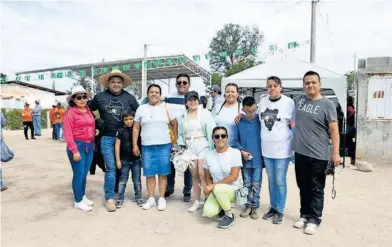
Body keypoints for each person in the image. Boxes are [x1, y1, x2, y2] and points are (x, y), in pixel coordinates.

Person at [292, 71, 340, 235]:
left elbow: (334, 130)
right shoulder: (298, 101)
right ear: (303, 85)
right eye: (307, 83)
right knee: (303, 186)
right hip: (300, 153)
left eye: (313, 82)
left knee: (316, 188)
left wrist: (335, 153)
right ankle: (304, 215)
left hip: (319, 154)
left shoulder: (328, 105)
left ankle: (314, 219)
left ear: (320, 84)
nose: (310, 85)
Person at [89, 69, 139, 212]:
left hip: (125, 139)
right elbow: (87, 110)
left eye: (119, 82)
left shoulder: (130, 98)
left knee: (121, 166)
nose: (116, 84)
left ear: (122, 84)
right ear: (108, 84)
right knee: (110, 167)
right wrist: (96, 123)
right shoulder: (99, 97)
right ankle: (109, 197)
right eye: (113, 82)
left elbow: (139, 114)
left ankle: (118, 190)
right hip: (107, 138)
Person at [256, 76, 295, 225]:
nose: (272, 89)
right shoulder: (263, 101)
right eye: (269, 86)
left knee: (280, 180)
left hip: (282, 149)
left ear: (281, 87)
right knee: (271, 180)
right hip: (266, 148)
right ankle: (273, 207)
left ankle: (280, 210)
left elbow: (295, 124)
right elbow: (256, 117)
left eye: (275, 86)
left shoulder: (289, 103)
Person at [133, 84, 178, 211]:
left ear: (160, 94)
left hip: (165, 145)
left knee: (163, 173)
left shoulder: (167, 107)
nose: (154, 94)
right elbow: (136, 128)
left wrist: (175, 141)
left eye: (156, 92)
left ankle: (162, 198)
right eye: (151, 92)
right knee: (149, 173)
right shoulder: (141, 108)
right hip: (147, 146)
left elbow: (174, 125)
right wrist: (135, 144)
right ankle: (151, 198)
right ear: (148, 94)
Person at [177, 91, 216, 212]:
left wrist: (213, 147)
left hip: (203, 144)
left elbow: (211, 130)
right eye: (190, 100)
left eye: (195, 99)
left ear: (198, 100)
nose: (192, 102)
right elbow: (181, 133)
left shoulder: (205, 113)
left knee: (202, 173)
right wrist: (181, 147)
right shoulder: (183, 115)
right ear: (186, 102)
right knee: (194, 176)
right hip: (190, 146)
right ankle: (196, 201)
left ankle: (209, 199)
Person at [203, 126, 243, 229]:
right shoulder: (208, 155)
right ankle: (221, 204)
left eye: (223, 136)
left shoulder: (235, 153)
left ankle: (229, 215)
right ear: (213, 139)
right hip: (217, 190)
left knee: (218, 188)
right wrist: (209, 190)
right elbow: (208, 177)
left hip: (233, 189)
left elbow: (234, 177)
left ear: (227, 138)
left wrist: (213, 186)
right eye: (217, 136)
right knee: (208, 212)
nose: (220, 138)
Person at [63, 85, 95, 212]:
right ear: (73, 100)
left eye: (84, 97)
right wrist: (74, 150)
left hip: (89, 145)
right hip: (77, 146)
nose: (82, 99)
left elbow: (90, 125)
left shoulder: (87, 110)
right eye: (79, 97)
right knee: (79, 173)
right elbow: (68, 133)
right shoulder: (70, 113)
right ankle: (78, 201)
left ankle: (82, 196)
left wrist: (94, 132)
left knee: (84, 173)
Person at [165, 73, 193, 202]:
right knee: (171, 162)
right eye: (179, 82)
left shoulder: (194, 97)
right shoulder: (169, 98)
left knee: (187, 164)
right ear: (176, 84)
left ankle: (187, 190)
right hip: (172, 136)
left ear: (189, 84)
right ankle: (169, 188)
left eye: (184, 82)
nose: (182, 84)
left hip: (189, 137)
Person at [234, 96, 262, 220]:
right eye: (248, 111)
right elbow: (235, 140)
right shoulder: (239, 122)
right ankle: (247, 205)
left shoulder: (260, 120)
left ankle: (255, 206)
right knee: (247, 184)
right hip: (245, 159)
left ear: (256, 108)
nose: (250, 114)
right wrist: (241, 151)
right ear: (243, 109)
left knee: (256, 184)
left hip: (258, 159)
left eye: (253, 111)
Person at [115, 111, 143, 208]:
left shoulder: (138, 130)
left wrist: (142, 157)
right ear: (123, 121)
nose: (128, 121)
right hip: (124, 160)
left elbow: (142, 145)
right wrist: (118, 160)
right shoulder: (120, 130)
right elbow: (117, 145)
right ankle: (119, 199)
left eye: (131, 119)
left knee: (137, 181)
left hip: (136, 160)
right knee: (122, 180)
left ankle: (139, 198)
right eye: (126, 119)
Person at [212, 83, 241, 147]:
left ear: (237, 94)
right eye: (227, 92)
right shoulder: (217, 107)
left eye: (233, 92)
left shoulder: (242, 109)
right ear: (224, 93)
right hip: (218, 147)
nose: (230, 94)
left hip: (235, 147)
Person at [346, 96, 356, 164]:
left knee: (349, 143)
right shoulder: (351, 105)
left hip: (349, 127)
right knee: (350, 143)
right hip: (351, 127)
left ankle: (351, 157)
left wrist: (348, 116)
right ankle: (351, 157)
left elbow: (353, 112)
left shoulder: (349, 106)